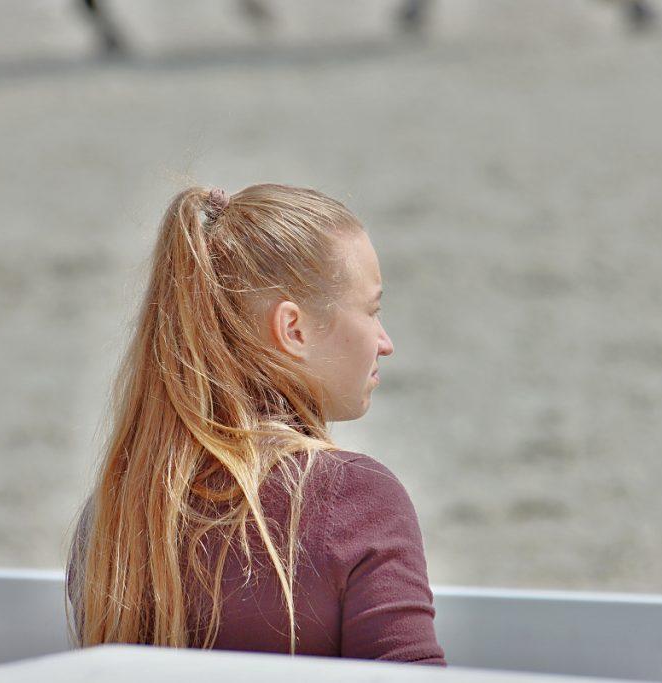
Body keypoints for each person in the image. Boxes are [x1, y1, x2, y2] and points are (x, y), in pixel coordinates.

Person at [67, 183, 445, 665]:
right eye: (372, 311)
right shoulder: (356, 499)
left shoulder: (115, 511)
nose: (385, 342)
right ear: (293, 330)